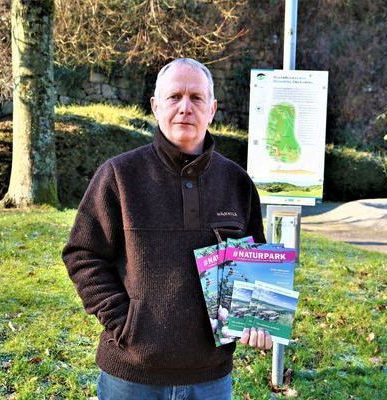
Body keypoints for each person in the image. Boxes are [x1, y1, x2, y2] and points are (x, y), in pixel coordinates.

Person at [62, 58, 272, 400]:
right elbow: (83, 254)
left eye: (196, 98)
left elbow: (254, 264)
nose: (185, 108)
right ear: (156, 106)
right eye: (174, 97)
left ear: (212, 108)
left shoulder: (237, 182)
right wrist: (124, 324)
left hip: (211, 377)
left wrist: (256, 320)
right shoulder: (119, 175)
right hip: (131, 376)